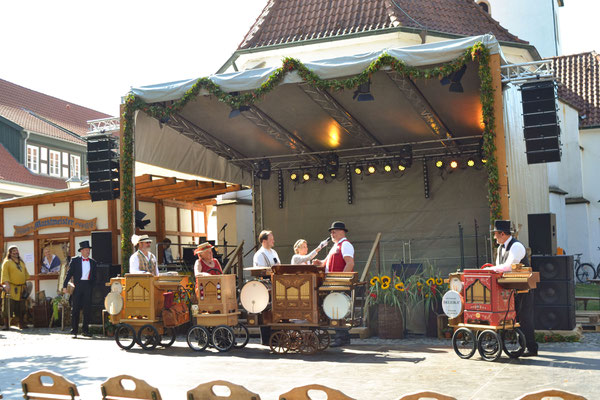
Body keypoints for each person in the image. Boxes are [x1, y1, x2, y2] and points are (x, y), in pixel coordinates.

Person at [484, 219, 537, 357]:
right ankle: (505, 344)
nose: (494, 237)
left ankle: (531, 348)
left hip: (523, 288)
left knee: (524, 318)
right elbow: (499, 269)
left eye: (495, 234)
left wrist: (491, 268)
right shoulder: (501, 248)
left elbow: (508, 267)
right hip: (510, 290)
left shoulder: (516, 246)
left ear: (502, 234)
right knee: (509, 317)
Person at [313, 221, 355, 347]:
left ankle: (341, 338)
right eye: (331, 231)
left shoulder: (345, 245)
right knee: (336, 310)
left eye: (334, 231)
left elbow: (350, 263)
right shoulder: (335, 246)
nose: (332, 233)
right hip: (333, 283)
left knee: (337, 310)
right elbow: (325, 263)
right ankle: (343, 338)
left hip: (338, 283)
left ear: (342, 232)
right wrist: (319, 263)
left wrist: (341, 280)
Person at [62, 241, 96, 338]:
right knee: (75, 309)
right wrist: (65, 286)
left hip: (87, 286)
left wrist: (91, 286)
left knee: (87, 309)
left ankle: (85, 330)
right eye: (85, 250)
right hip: (77, 286)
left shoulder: (93, 262)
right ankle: (74, 330)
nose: (87, 251)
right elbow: (69, 274)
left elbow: (94, 277)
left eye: (88, 250)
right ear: (81, 251)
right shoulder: (75, 260)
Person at [1, 245, 30, 330]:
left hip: (21, 288)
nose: (15, 252)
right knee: (8, 306)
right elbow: (5, 274)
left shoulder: (21, 262)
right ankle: (6, 325)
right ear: (10, 253)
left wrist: (26, 284)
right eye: (13, 251)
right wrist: (6, 284)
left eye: (16, 250)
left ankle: (21, 324)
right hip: (11, 288)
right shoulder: (7, 262)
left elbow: (25, 274)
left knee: (21, 307)